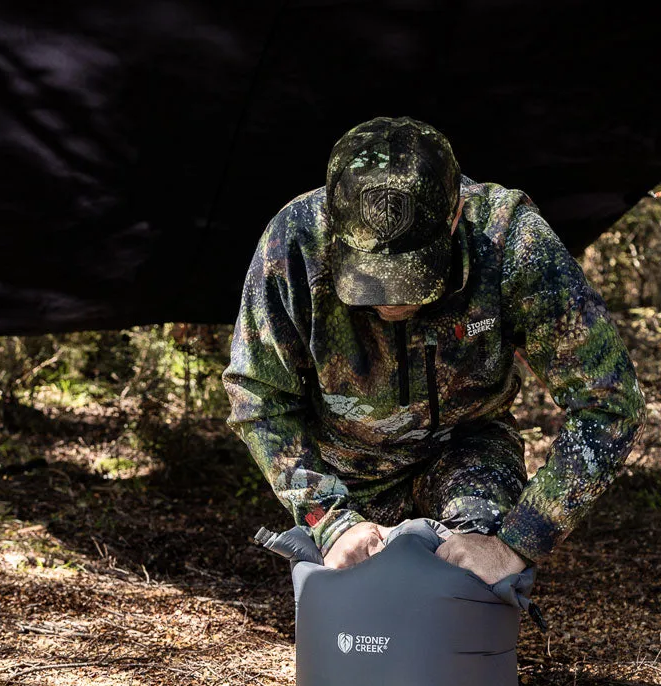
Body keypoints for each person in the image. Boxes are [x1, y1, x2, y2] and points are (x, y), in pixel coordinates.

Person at [222, 116, 646, 584]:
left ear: (456, 216)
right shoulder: (295, 242)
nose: (389, 299)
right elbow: (259, 396)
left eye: (410, 274)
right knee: (359, 608)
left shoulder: (510, 243)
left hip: (469, 451)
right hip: (347, 468)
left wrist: (516, 542)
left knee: (464, 587)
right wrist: (329, 520)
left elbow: (609, 401)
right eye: (368, 276)